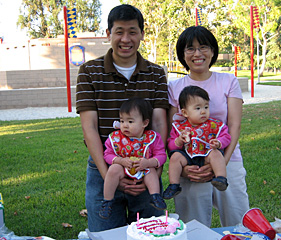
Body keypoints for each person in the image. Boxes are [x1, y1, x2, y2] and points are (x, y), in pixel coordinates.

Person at [76, 4, 169, 232]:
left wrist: (155, 171)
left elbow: (158, 124)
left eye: (132, 31)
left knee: (152, 233)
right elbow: (89, 128)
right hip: (104, 167)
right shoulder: (89, 72)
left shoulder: (156, 73)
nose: (125, 39)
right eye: (119, 31)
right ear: (108, 34)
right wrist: (111, 176)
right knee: (105, 234)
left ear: (142, 34)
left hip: (146, 166)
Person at [167, 26, 250, 227]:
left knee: (239, 223)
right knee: (192, 226)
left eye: (203, 47)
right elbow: (173, 130)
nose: (197, 53)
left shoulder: (228, 80)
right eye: (190, 48)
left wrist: (219, 165)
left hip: (227, 160)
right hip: (190, 166)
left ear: (212, 51)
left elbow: (234, 125)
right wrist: (183, 170)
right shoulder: (174, 87)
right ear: (182, 54)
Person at [100, 98, 167, 219]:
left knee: (151, 170)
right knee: (113, 169)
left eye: (130, 121)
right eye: (122, 121)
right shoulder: (116, 138)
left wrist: (148, 162)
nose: (125, 125)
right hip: (123, 168)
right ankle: (107, 201)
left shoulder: (152, 138)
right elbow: (107, 154)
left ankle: (155, 196)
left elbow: (161, 155)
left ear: (144, 123)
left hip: (142, 168)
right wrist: (120, 161)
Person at [163, 86, 231, 199]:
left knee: (216, 154)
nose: (203, 111)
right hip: (188, 157)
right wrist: (179, 141)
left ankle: (221, 178)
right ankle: (174, 185)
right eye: (198, 108)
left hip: (207, 155)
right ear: (185, 112)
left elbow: (226, 137)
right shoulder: (179, 127)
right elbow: (170, 145)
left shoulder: (214, 124)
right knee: (175, 157)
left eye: (206, 107)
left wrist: (219, 143)